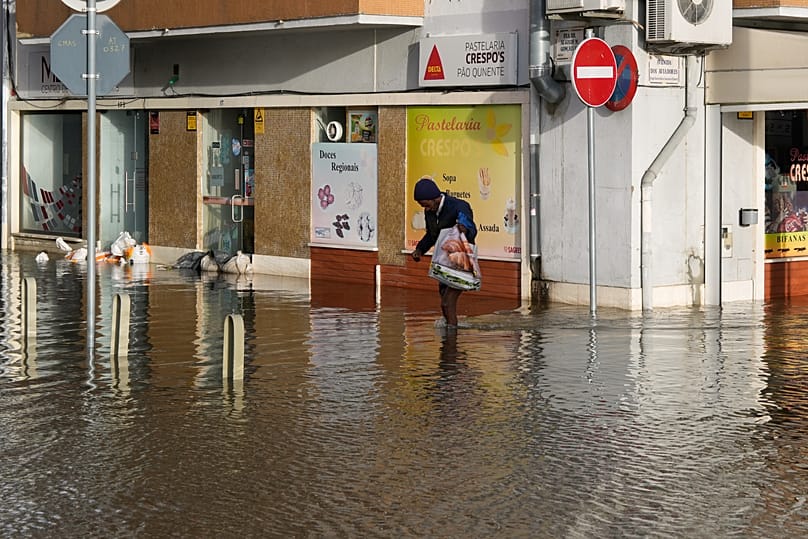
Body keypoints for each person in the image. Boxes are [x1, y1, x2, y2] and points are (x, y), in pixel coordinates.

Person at [411, 176, 478, 328]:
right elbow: (431, 235)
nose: (426, 209)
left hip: (460, 261)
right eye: (422, 206)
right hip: (443, 262)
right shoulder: (429, 212)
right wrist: (420, 249)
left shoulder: (458, 206)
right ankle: (450, 331)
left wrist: (465, 229)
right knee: (444, 300)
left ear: (434, 198)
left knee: (447, 302)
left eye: (426, 205)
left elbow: (470, 228)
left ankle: (451, 339)